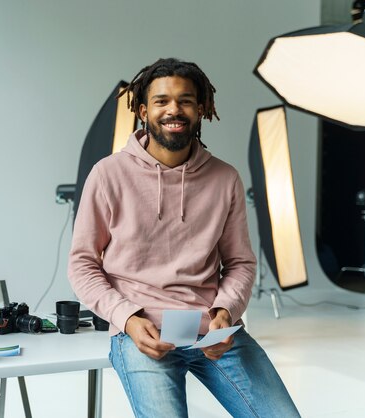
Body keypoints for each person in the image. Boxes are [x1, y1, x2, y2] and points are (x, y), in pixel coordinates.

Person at [68, 58, 300, 417]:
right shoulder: (108, 175)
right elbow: (82, 264)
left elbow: (239, 262)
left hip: (213, 332)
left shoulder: (225, 179)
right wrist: (127, 318)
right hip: (141, 332)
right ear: (143, 110)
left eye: (186, 100)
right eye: (161, 101)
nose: (173, 109)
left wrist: (226, 311)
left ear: (202, 109)